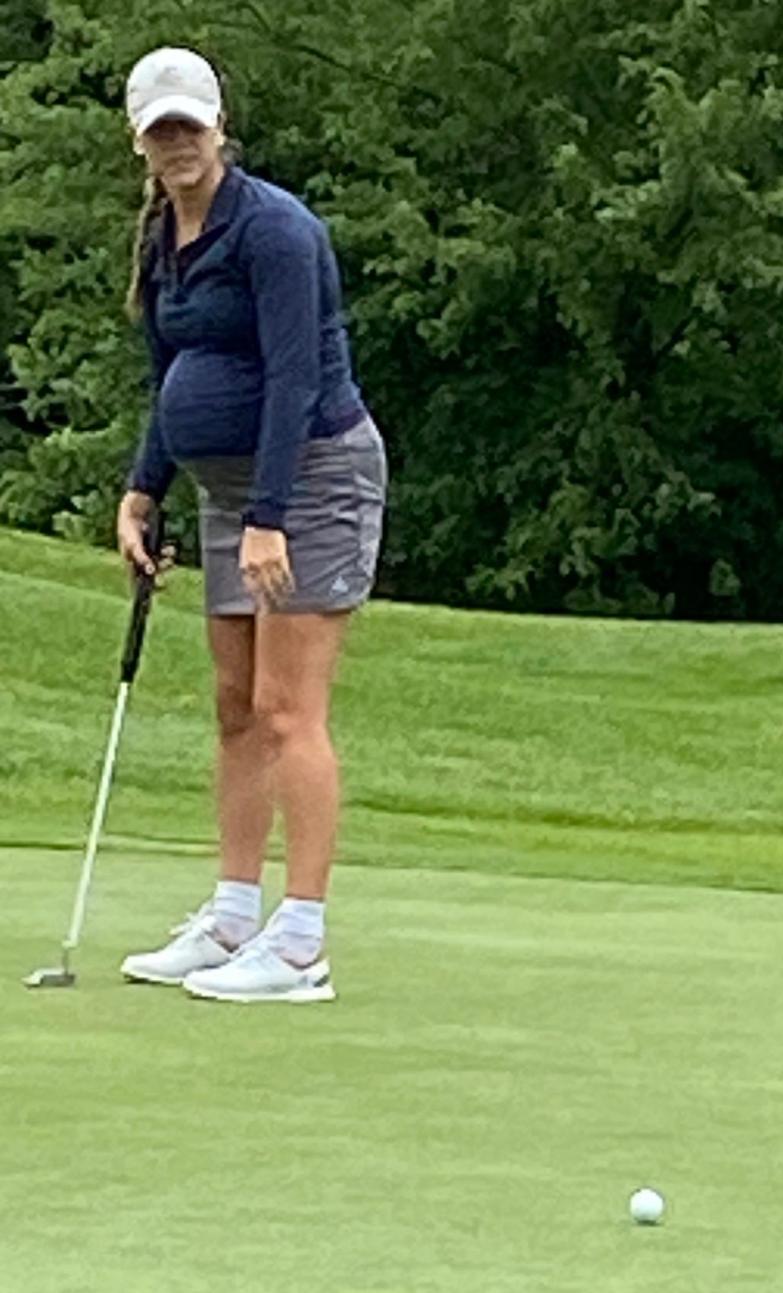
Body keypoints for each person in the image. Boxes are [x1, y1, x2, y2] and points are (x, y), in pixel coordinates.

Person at [115, 46, 387, 1004]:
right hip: (228, 492)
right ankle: (234, 915)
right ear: (141, 141)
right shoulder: (163, 238)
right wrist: (144, 486)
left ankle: (302, 941)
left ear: (218, 128)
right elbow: (170, 376)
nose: (178, 144)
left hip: (310, 480)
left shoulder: (274, 231)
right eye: (162, 131)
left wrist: (270, 517)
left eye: (192, 126)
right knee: (234, 707)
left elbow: (294, 381)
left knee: (286, 711)